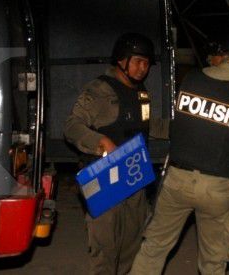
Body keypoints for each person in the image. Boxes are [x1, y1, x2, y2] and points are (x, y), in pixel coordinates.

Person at [130, 29, 229, 275]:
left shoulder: (191, 80)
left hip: (177, 180)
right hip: (216, 187)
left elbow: (182, 127)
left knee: (154, 249)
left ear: (218, 55)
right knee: (213, 262)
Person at [63, 32, 158, 274]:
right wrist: (100, 140)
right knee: (105, 246)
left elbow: (145, 126)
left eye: (147, 62)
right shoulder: (98, 91)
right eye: (137, 61)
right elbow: (72, 126)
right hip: (103, 177)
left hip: (133, 175)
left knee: (131, 243)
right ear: (121, 60)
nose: (143, 68)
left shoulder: (141, 93)